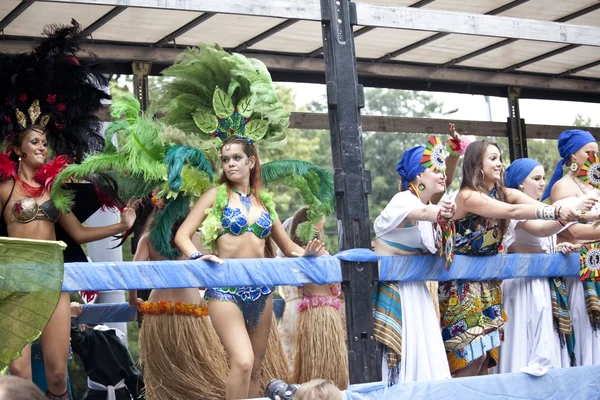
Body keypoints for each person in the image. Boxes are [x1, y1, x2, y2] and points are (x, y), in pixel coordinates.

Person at [0, 21, 139, 400]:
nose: (43, 147)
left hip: (54, 275)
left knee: (59, 374)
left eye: (45, 141)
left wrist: (121, 226)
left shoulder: (54, 188)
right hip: (14, 276)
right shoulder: (5, 188)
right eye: (35, 141)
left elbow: (77, 234)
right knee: (19, 371)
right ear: (17, 148)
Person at [440, 140, 583, 377]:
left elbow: (537, 207)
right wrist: (553, 211)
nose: (500, 164)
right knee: (471, 356)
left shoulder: (503, 192)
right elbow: (512, 212)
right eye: (493, 159)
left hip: (488, 284)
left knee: (486, 358)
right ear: (477, 165)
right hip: (459, 286)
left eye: (500, 158)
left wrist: (579, 210)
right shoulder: (467, 196)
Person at [372, 130, 465, 384]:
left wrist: (455, 152)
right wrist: (441, 213)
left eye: (442, 170)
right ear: (418, 175)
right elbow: (424, 211)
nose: (442, 174)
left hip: (417, 293)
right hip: (395, 295)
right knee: (404, 369)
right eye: (435, 170)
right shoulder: (403, 201)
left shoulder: (424, 202)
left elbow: (431, 207)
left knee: (428, 364)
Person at [129, 205, 229, 400]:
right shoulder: (197, 239)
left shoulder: (149, 239)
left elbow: (133, 274)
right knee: (200, 373)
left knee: (164, 378)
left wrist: (133, 298)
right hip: (191, 309)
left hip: (159, 310)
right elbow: (211, 276)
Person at [501, 158, 583, 374]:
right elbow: (541, 230)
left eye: (543, 178)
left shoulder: (543, 208)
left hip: (544, 284)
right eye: (536, 178)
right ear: (519, 184)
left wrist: (559, 248)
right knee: (526, 345)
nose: (542, 183)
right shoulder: (516, 210)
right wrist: (571, 213)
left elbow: (544, 242)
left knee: (550, 343)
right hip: (524, 285)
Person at [277, 207, 347, 389]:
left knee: (298, 364)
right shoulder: (296, 254)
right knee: (306, 364)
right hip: (308, 313)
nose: (322, 227)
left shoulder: (301, 254)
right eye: (320, 223)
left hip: (301, 313)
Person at [546, 129, 600, 366]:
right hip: (579, 271)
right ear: (573, 157)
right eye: (589, 152)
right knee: (589, 331)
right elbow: (575, 231)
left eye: (597, 153)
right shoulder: (562, 187)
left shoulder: (594, 184)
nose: (595, 157)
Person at [69, 303, 144, 400]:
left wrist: (73, 316)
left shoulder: (89, 338)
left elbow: (75, 340)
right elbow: (132, 374)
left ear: (83, 324)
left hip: (96, 396)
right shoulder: (116, 339)